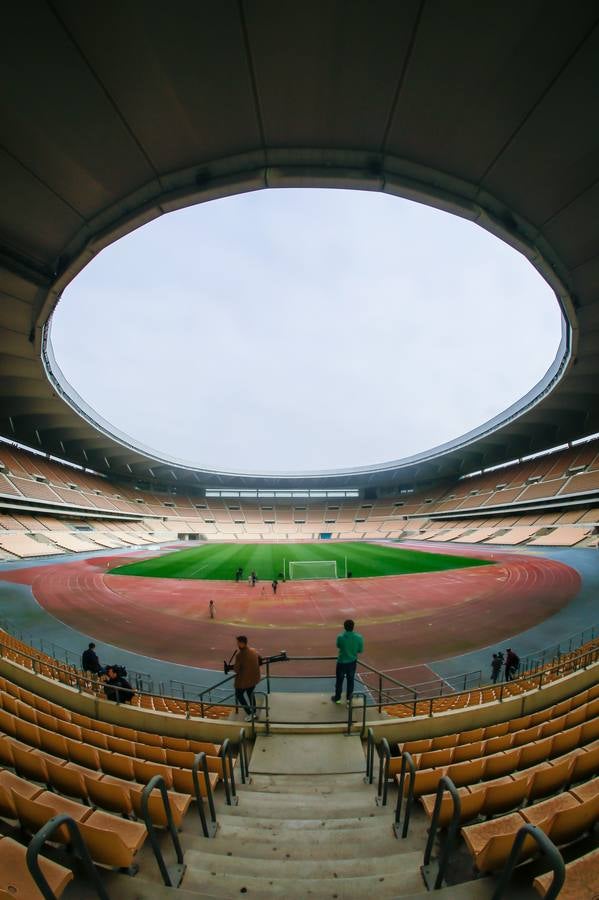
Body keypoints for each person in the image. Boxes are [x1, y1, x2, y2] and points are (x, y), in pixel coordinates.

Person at [331, 619, 363, 705]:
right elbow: (360, 650)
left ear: (344, 627)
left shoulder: (340, 637)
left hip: (341, 662)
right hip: (352, 662)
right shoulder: (359, 637)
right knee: (350, 680)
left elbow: (338, 645)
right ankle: (349, 699)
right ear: (353, 627)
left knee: (339, 681)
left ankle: (337, 698)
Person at [232, 636, 261, 721]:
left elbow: (236, 670)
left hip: (244, 681)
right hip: (254, 679)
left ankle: (250, 713)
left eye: (238, 643)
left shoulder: (239, 655)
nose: (237, 644)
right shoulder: (253, 650)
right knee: (250, 694)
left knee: (239, 695)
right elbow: (260, 659)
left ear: (242, 643)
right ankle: (254, 712)